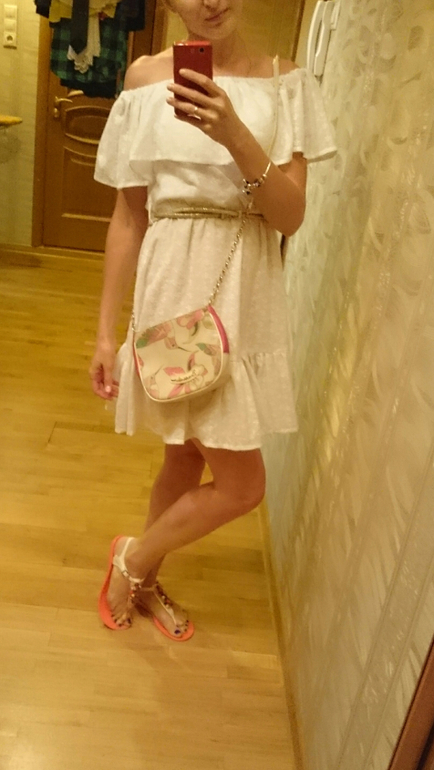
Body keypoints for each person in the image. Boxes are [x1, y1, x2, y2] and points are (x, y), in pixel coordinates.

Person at [90, 0, 336, 640]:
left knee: (198, 468)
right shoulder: (145, 79)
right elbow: (129, 217)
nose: (211, 0)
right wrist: (105, 331)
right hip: (172, 284)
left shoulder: (286, 83)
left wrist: (236, 135)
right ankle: (135, 565)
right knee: (225, 477)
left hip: (245, 294)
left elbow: (290, 217)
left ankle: (136, 567)